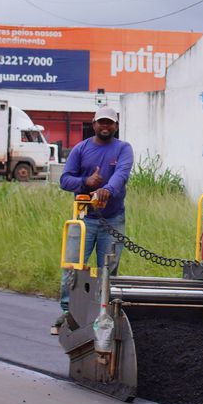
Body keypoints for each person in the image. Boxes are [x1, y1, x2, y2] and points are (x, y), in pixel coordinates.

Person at [55, 105, 134, 334]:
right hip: (83, 219)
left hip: (112, 220)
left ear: (116, 125)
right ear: (94, 124)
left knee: (107, 270)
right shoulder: (80, 149)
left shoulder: (123, 148)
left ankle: (104, 312)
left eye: (110, 122)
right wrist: (86, 183)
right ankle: (68, 311)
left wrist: (106, 189)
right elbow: (64, 180)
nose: (105, 126)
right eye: (102, 122)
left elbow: (122, 173)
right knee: (72, 266)